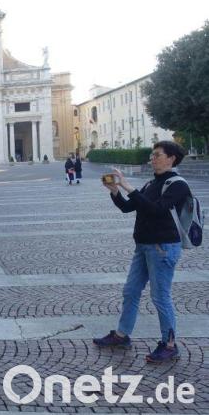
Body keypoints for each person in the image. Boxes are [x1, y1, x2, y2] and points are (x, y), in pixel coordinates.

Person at [93, 141, 190, 363]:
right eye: (152, 155)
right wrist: (115, 191)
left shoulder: (178, 185)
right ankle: (122, 335)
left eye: (157, 155)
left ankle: (169, 345)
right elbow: (128, 207)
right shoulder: (151, 184)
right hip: (143, 246)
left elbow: (157, 210)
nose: (152, 159)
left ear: (171, 158)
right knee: (130, 291)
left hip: (163, 248)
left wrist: (128, 186)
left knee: (160, 297)